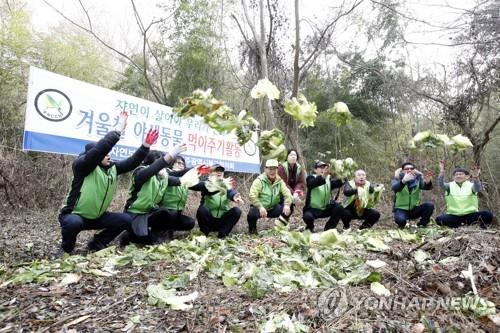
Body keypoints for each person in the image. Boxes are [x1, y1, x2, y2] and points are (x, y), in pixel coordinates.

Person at [58, 111, 153, 254]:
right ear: (95, 156)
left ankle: (97, 243)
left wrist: (145, 146)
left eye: (109, 153)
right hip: (75, 215)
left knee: (125, 219)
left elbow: (132, 162)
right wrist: (117, 130)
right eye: (105, 153)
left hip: (97, 216)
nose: (109, 155)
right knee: (73, 223)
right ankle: (66, 249)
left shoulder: (112, 168)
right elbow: (98, 150)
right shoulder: (82, 166)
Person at [121, 143, 192, 245]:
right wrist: (171, 154)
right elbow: (151, 171)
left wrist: (195, 170)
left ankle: (157, 232)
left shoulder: (163, 177)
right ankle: (127, 235)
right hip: (134, 213)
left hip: (149, 213)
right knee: (146, 241)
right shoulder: (140, 173)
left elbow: (179, 178)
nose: (163, 166)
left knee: (164, 212)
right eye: (159, 162)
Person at [435, 161, 493, 229]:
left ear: (467, 176)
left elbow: (477, 188)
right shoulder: (449, 186)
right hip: (454, 216)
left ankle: (483, 228)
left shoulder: (471, 185)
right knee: (439, 219)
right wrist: (442, 171)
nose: (458, 176)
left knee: (487, 214)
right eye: (456, 175)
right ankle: (456, 227)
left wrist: (476, 177)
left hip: (470, 215)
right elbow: (441, 184)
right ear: (453, 177)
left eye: (461, 174)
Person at [194, 164, 244, 238]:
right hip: (209, 219)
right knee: (202, 210)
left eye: (221, 170)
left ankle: (222, 234)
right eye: (216, 170)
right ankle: (205, 234)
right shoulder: (206, 184)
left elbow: (231, 192)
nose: (219, 172)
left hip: (221, 219)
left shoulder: (226, 184)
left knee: (237, 211)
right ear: (211, 173)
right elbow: (201, 186)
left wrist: (235, 196)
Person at [247, 159, 293, 234]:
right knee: (252, 213)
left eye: (274, 169)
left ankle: (281, 227)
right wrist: (260, 207)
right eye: (270, 169)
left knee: (290, 206)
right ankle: (252, 231)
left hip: (273, 208)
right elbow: (252, 195)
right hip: (261, 209)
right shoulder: (259, 180)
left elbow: (288, 194)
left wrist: (287, 205)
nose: (272, 172)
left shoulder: (279, 181)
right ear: (265, 169)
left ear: (277, 170)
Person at [302, 161, 344, 232]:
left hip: (325, 208)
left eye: (324, 167)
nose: (323, 169)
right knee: (307, 217)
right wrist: (323, 176)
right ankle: (310, 227)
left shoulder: (328, 179)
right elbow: (311, 184)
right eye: (320, 168)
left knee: (339, 208)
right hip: (313, 209)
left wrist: (343, 175)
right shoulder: (311, 177)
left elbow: (338, 183)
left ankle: (329, 228)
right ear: (315, 170)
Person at [391, 162, 434, 228]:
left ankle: (422, 225)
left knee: (429, 205)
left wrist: (428, 182)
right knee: (400, 221)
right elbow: (394, 188)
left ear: (414, 170)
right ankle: (403, 225)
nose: (409, 170)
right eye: (407, 169)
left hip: (414, 209)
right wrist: (403, 181)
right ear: (402, 171)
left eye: (411, 168)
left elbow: (427, 187)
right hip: (401, 209)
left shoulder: (418, 179)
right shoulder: (397, 179)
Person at [277, 149, 306, 222]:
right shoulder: (281, 167)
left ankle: (282, 224)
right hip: (280, 192)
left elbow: (300, 182)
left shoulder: (299, 168)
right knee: (287, 206)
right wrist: (293, 194)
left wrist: (296, 193)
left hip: (292, 192)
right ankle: (281, 224)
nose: (293, 157)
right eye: (291, 155)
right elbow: (283, 183)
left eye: (295, 155)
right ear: (287, 157)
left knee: (291, 208)